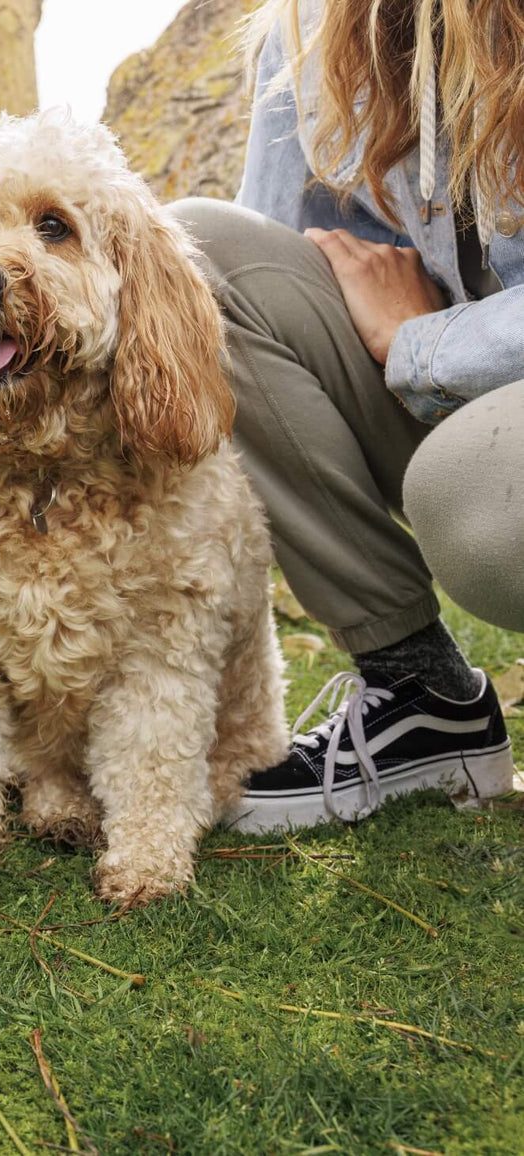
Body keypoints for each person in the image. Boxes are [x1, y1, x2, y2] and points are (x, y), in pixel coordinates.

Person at [173, 0, 522, 833]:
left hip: (478, 440)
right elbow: (276, 274)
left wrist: (421, 340)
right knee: (200, 265)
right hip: (442, 408)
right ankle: (420, 692)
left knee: (478, 503)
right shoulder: (312, 32)